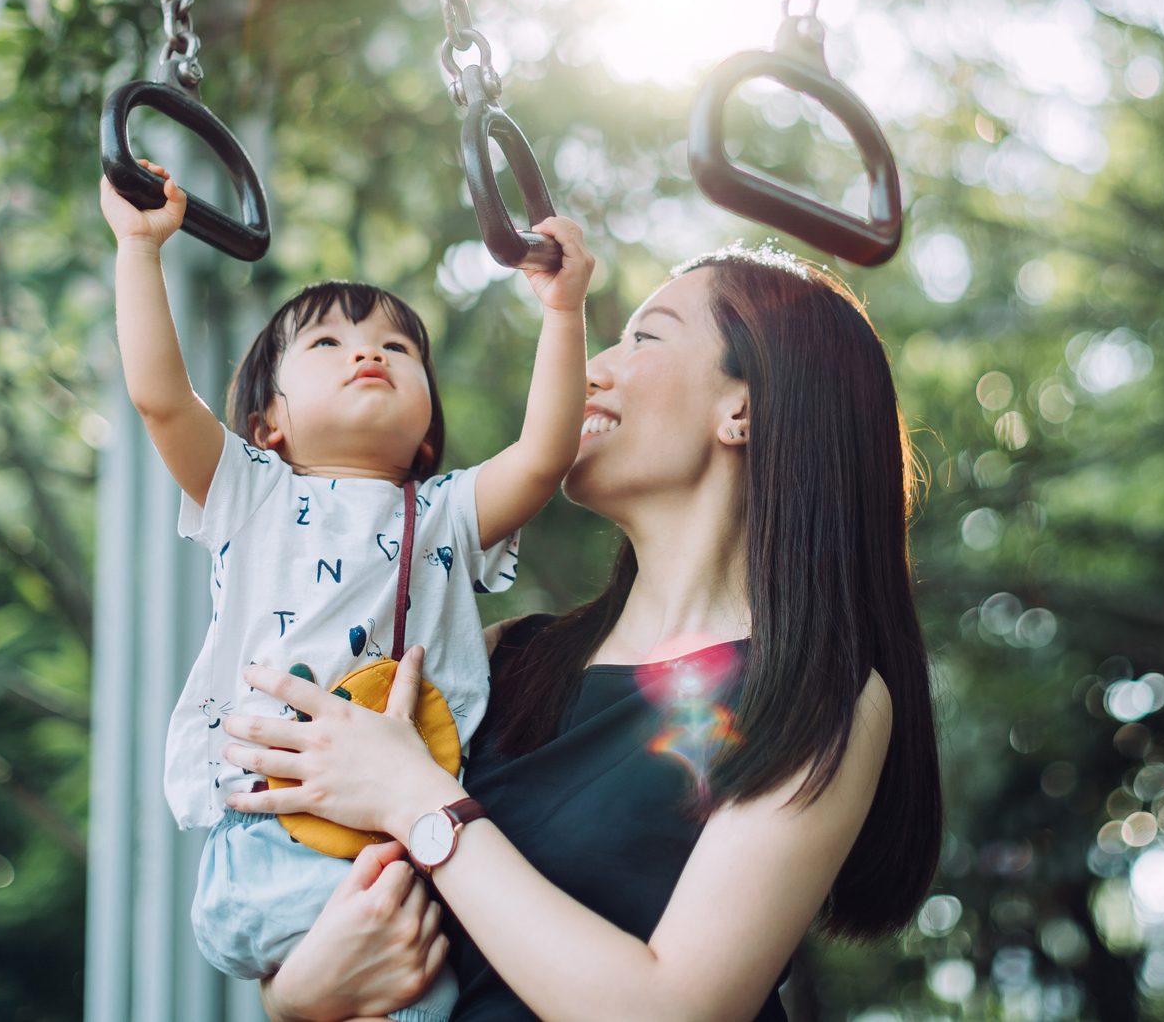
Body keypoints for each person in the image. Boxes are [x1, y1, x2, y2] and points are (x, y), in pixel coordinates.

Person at [218, 243, 943, 1021]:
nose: (592, 368)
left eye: (645, 338)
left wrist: (421, 804)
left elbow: (673, 1009)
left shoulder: (819, 697)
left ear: (745, 407)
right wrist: (293, 995)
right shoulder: (498, 658)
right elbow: (320, 921)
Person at [99, 158, 594, 1021]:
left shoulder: (441, 512)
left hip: (398, 837)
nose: (367, 351)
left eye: (396, 348)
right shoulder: (249, 490)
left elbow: (546, 454)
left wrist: (562, 311)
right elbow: (158, 398)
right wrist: (139, 250)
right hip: (269, 834)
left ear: (429, 431)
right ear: (270, 424)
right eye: (326, 344)